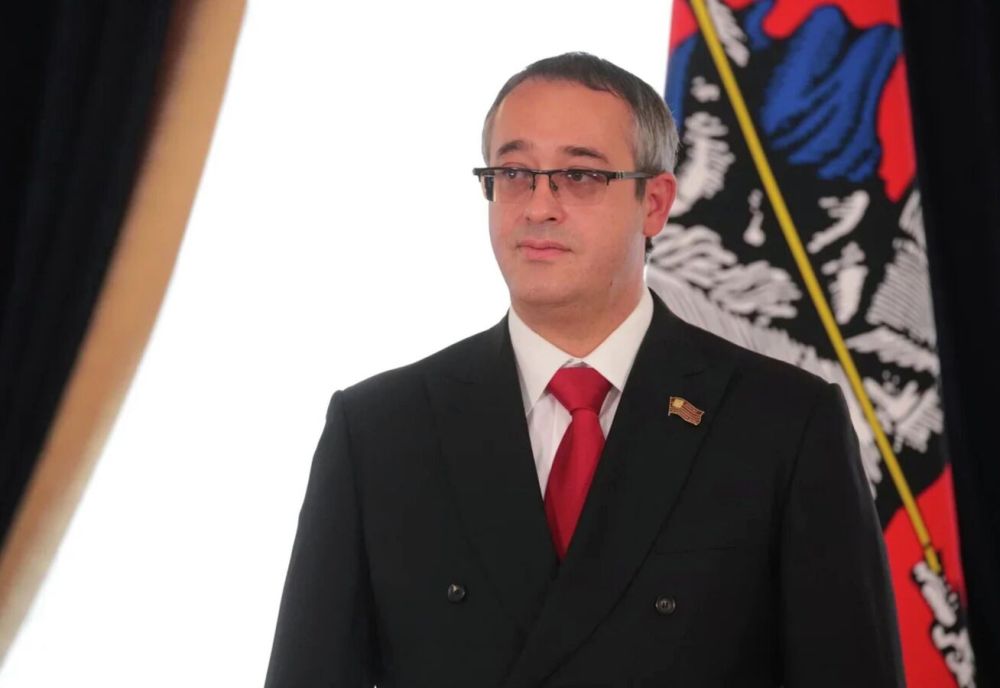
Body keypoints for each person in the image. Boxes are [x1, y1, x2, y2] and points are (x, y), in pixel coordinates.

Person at [264, 52, 904, 687]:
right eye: (514, 172)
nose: (538, 206)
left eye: (580, 175)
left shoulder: (784, 425)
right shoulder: (378, 431)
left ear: (655, 203)